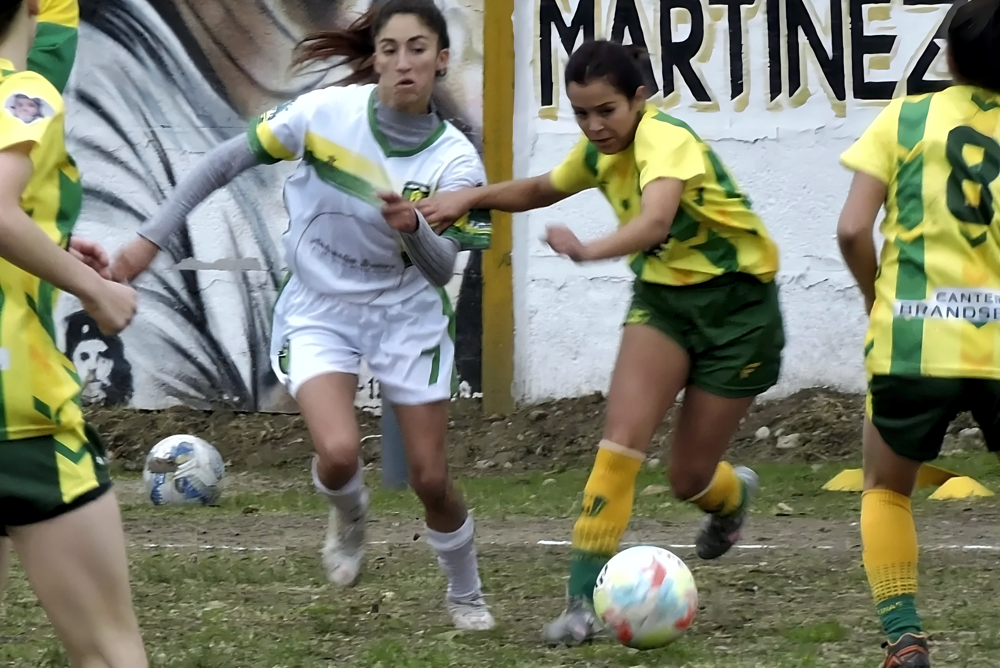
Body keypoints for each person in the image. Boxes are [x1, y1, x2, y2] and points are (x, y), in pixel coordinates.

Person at [110, 0, 495, 631]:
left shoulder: (459, 164)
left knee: (431, 479)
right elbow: (220, 162)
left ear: (442, 61)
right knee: (339, 454)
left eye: (418, 49)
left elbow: (438, 270)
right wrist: (151, 238)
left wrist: (413, 231)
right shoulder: (325, 114)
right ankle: (349, 516)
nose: (403, 62)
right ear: (374, 58)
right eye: (390, 48)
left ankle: (467, 592)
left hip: (408, 314)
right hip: (322, 306)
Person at [417, 38, 785, 645]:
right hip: (665, 306)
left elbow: (655, 220)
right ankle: (581, 604)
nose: (594, 126)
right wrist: (471, 198)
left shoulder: (667, 139)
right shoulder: (598, 152)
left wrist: (591, 250)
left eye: (606, 111)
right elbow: (540, 189)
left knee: (688, 477)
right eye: (581, 113)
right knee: (619, 446)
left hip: (740, 313)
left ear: (639, 99)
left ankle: (729, 495)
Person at [836, 0, 1000, 665]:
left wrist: (879, 297)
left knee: (884, 487)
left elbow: (851, 229)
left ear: (949, 57)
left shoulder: (903, 119)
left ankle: (904, 636)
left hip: (913, 339)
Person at [0, 0, 148, 664]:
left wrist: (51, 241)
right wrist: (94, 290)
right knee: (109, 651)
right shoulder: (23, 88)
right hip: (21, 415)